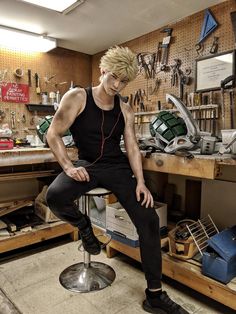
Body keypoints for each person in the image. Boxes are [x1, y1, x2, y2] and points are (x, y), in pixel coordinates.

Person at [46, 46, 188, 314]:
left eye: (123, 81)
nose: (117, 85)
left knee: (149, 220)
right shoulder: (77, 97)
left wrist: (141, 182)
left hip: (116, 168)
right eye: (114, 77)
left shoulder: (124, 108)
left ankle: (155, 296)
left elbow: (132, 146)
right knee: (54, 196)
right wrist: (67, 166)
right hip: (86, 164)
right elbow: (53, 134)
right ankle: (85, 227)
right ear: (102, 71)